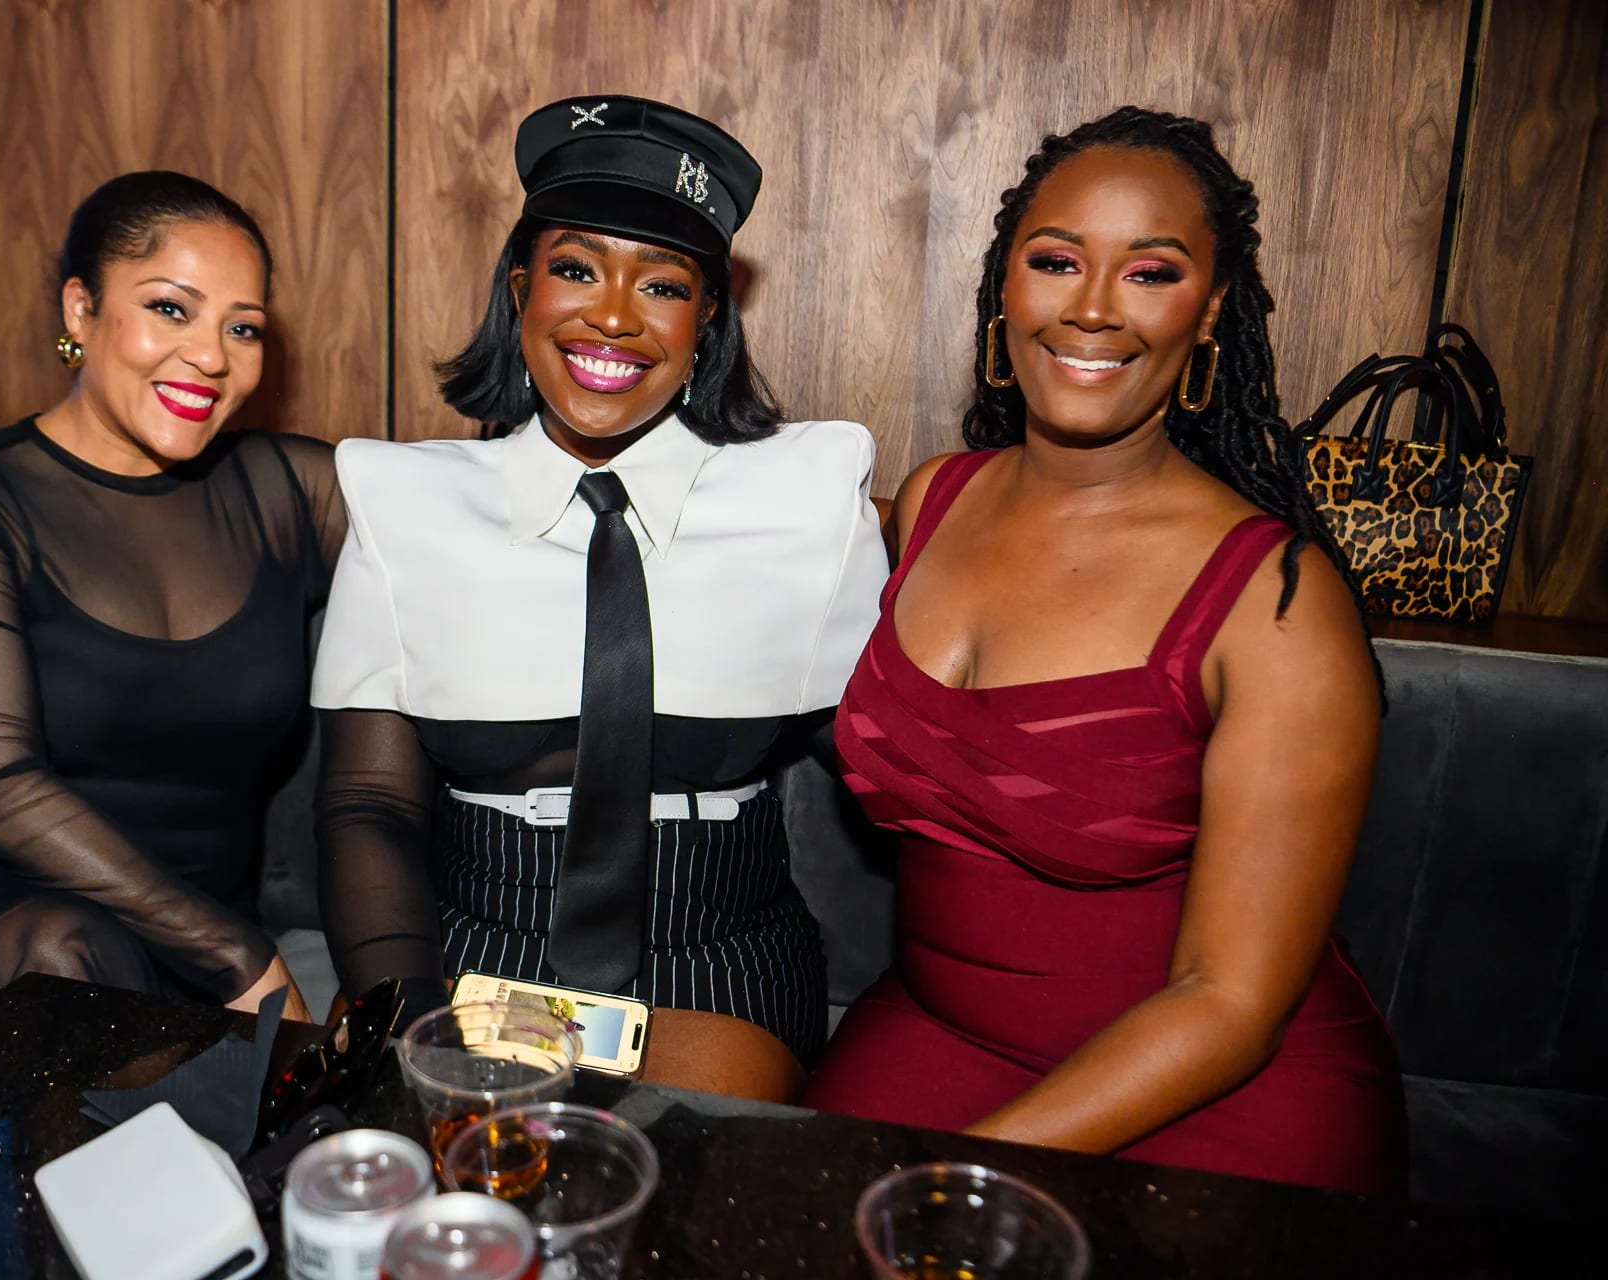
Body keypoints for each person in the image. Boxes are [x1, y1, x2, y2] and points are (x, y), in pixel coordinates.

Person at [801, 107, 1405, 1194]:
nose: (1091, 308)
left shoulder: (1277, 602)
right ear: (1006, 286)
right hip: (937, 1033)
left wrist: (958, 1180)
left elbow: (1230, 1003)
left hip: (1207, 1083)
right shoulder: (934, 500)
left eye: (1150, 272)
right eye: (1056, 261)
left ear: (1209, 310)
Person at [310, 96, 887, 1100]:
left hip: (720, 959)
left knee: (688, 1158)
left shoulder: (809, 494)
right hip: (473, 957)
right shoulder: (404, 501)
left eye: (663, 284)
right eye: (576, 268)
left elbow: (901, 770)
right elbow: (370, 803)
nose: (614, 316)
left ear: (708, 316)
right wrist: (411, 1022)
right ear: (520, 288)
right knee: (455, 1167)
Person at [0, 171, 341, 1058]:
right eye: (170, 309)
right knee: (65, 964)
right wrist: (240, 957)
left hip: (180, 918)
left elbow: (467, 532)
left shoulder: (290, 490)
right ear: (80, 310)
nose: (212, 356)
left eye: (242, 327)